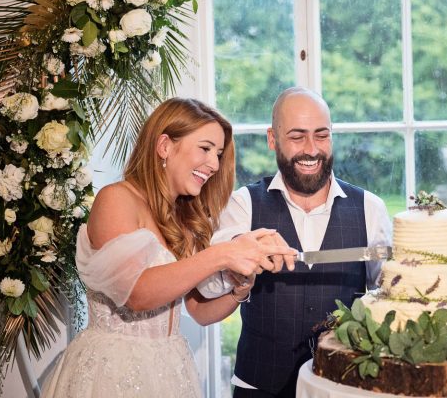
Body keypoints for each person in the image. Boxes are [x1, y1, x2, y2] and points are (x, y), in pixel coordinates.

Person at [41, 97, 296, 398]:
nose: (214, 164)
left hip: (169, 370)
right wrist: (225, 253)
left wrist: (240, 288)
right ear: (164, 146)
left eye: (218, 153)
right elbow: (136, 294)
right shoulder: (116, 199)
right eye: (205, 149)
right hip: (113, 372)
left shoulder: (184, 219)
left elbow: (198, 311)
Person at [197, 87, 392, 398]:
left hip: (346, 386)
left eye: (321, 135)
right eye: (297, 136)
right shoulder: (243, 205)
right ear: (272, 139)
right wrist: (238, 263)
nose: (311, 149)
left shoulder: (371, 208)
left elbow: (390, 294)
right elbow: (206, 290)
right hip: (259, 386)